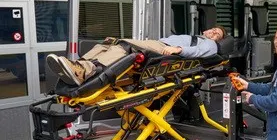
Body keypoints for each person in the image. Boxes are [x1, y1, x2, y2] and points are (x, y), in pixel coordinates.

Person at [46, 26, 226, 86]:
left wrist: (179, 50)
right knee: (108, 42)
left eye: (217, 34)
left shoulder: (210, 45)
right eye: (212, 30)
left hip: (164, 49)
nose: (213, 33)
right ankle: (78, 66)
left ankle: (86, 70)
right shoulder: (194, 36)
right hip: (159, 44)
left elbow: (198, 52)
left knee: (123, 43)